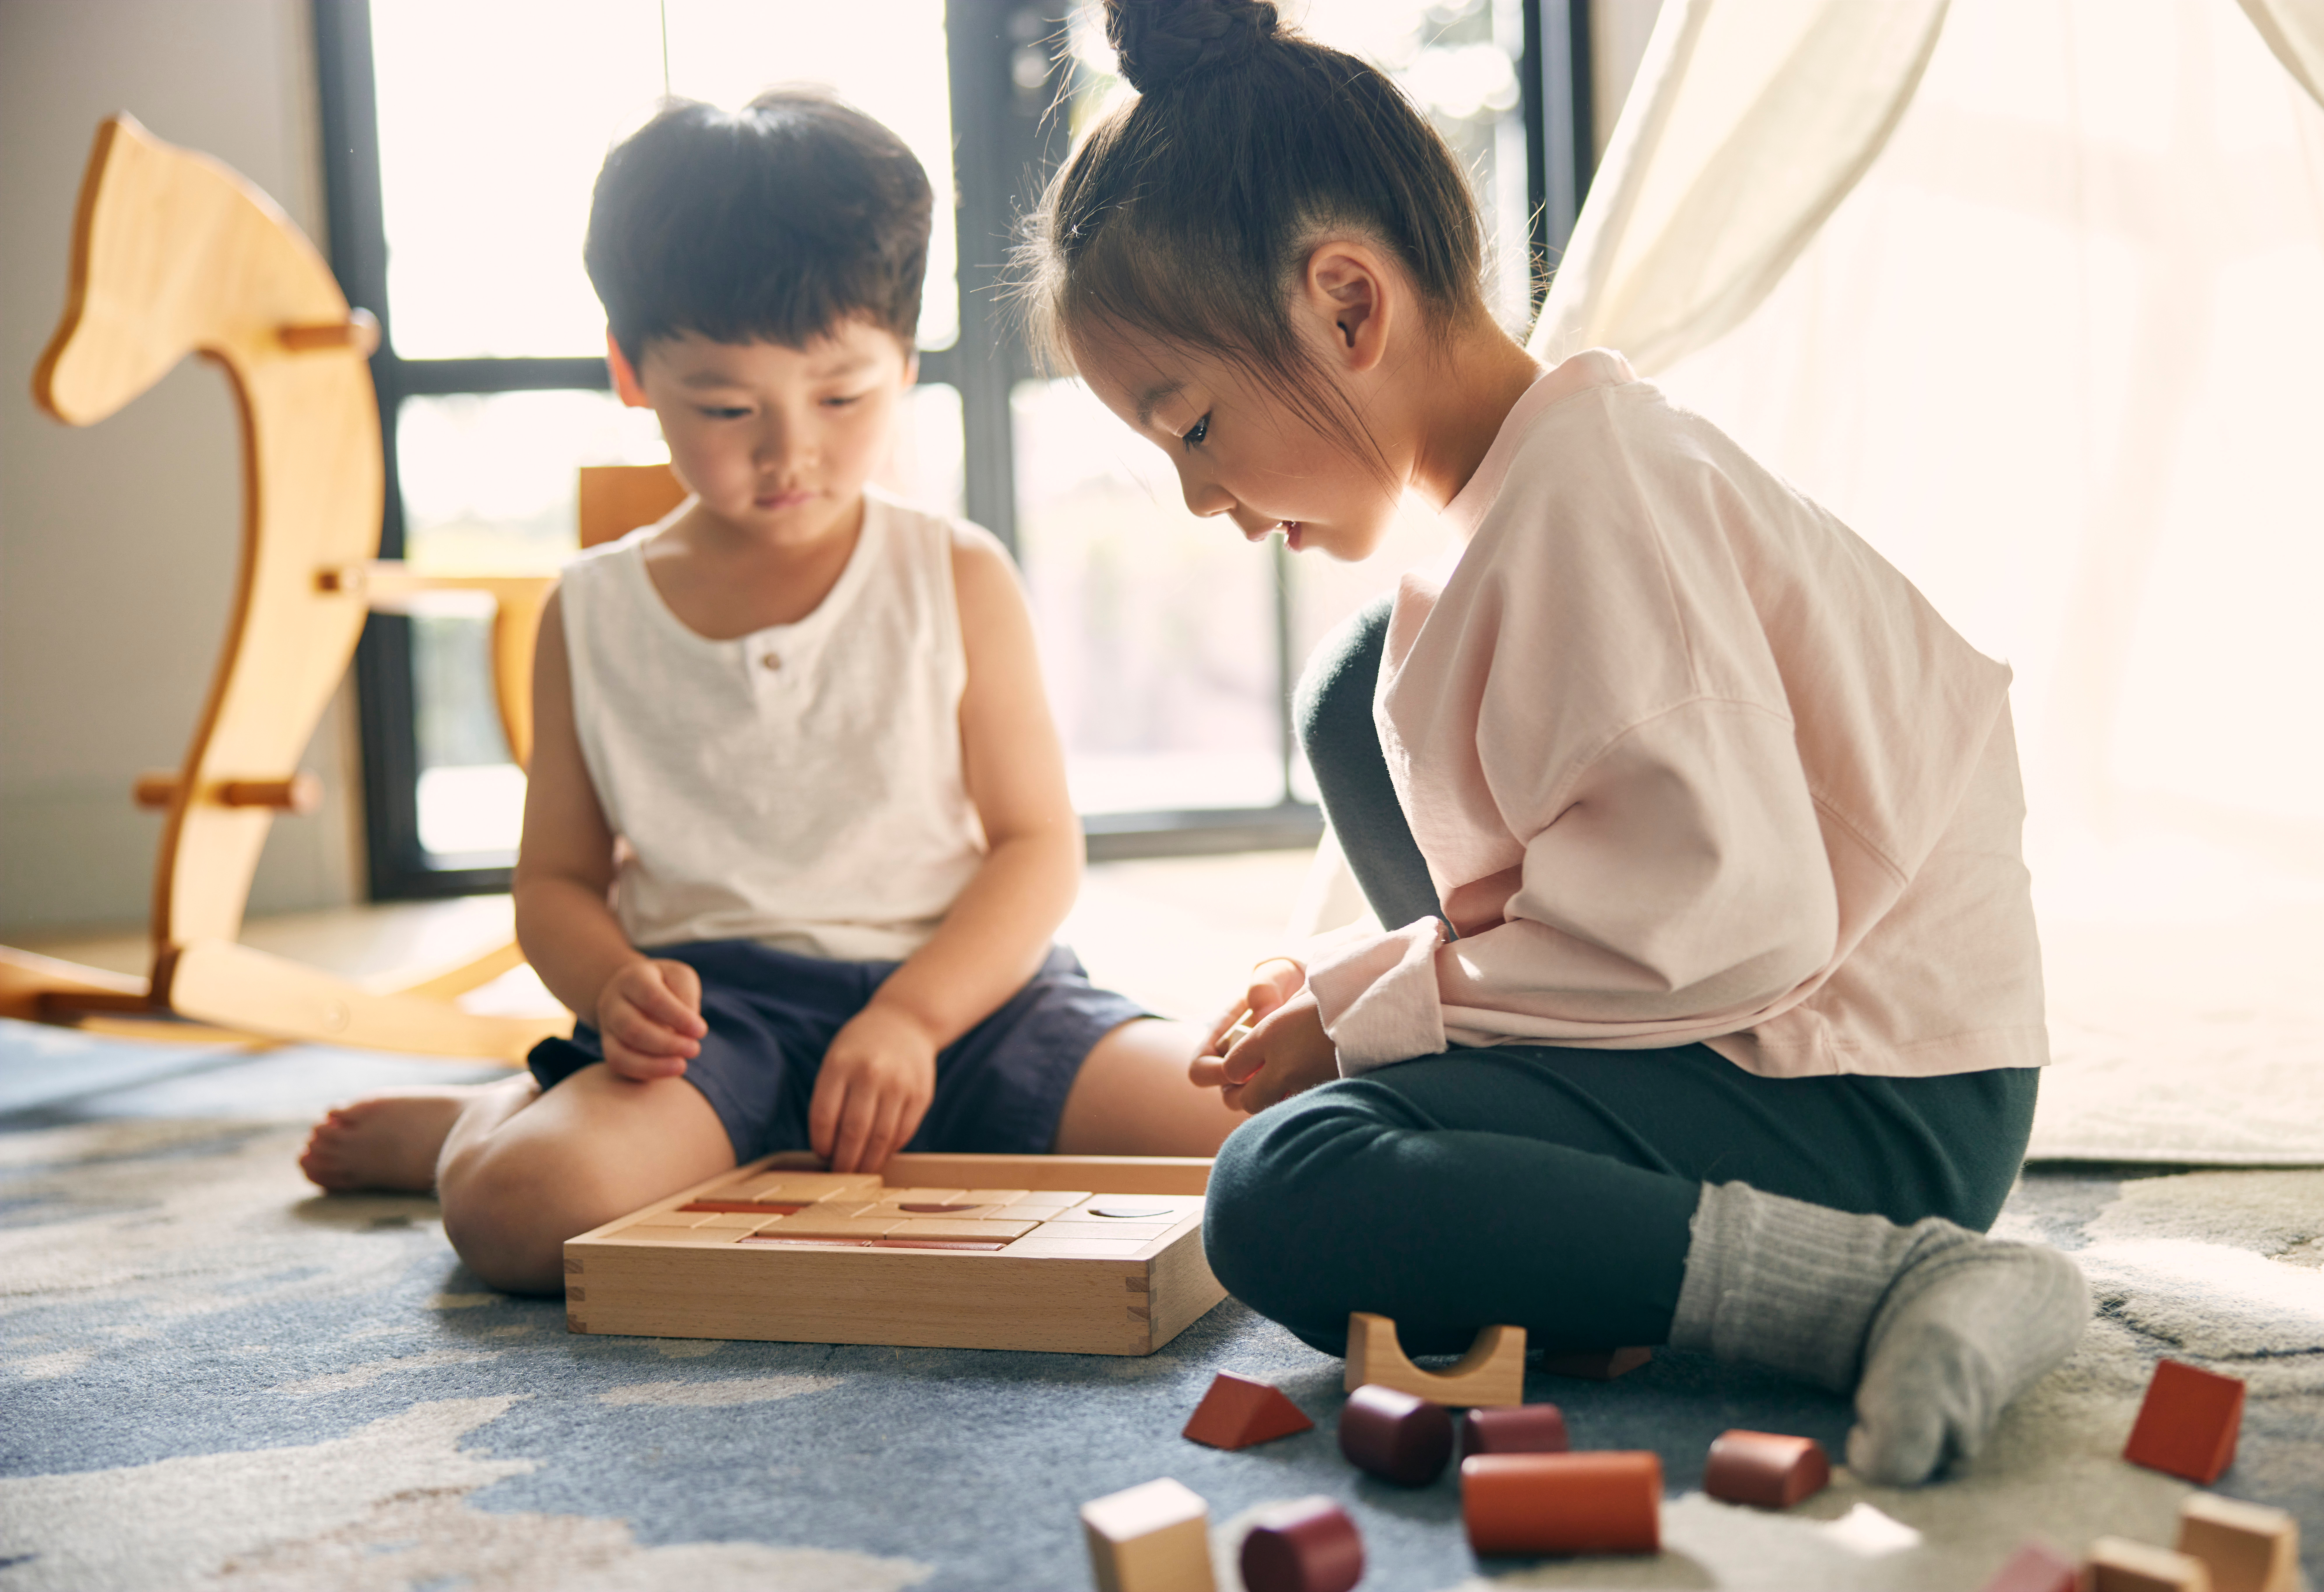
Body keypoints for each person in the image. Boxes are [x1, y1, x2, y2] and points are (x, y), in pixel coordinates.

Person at [1018, 0, 2088, 1486]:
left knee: (1280, 1190)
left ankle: (1879, 1283)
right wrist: (1368, 996)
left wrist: (1367, 1008)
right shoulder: (1511, 492)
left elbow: (1723, 926)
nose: (1200, 499)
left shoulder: (1593, 509)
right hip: (1762, 1018)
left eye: (1190, 427)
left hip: (1863, 1093)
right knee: (1352, 697)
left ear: (1346, 307)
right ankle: (1576, 1230)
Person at [301, 89, 1238, 1291]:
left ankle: (610, 1115)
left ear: (904, 361)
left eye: (842, 397)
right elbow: (555, 883)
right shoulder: (589, 609)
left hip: (964, 1004)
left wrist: (909, 1016)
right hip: (715, 1022)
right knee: (516, 1214)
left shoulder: (953, 572)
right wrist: (610, 986)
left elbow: (1033, 848)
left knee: (1249, 1135)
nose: (789, 450)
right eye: (727, 408)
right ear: (631, 374)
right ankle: (483, 1122)